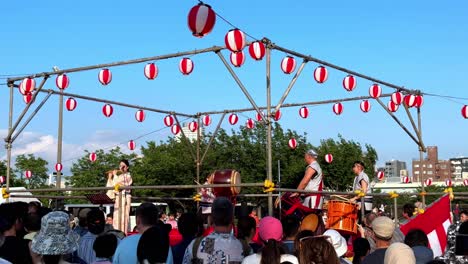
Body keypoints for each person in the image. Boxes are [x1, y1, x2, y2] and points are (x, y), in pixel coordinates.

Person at [183, 197, 246, 263]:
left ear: (211, 218)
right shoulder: (243, 247)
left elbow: (207, 257)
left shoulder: (200, 244)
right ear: (232, 218)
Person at [112, 159, 133, 233]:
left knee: (124, 217)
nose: (121, 167)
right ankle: (116, 233)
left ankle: (123, 234)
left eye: (123, 166)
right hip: (118, 197)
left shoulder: (128, 175)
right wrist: (111, 177)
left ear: (127, 167)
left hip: (125, 197)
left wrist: (115, 175)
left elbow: (122, 183)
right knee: (116, 216)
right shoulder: (120, 175)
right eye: (120, 165)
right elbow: (114, 185)